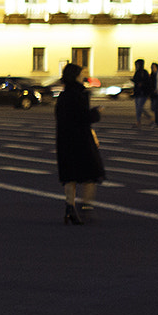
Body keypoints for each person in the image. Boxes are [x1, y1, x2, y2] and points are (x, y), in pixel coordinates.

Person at [55, 62, 105, 224]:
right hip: (81, 140)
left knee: (70, 175)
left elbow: (61, 118)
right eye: (82, 73)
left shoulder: (62, 96)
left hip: (65, 140)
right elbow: (84, 118)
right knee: (92, 173)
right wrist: (96, 113)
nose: (84, 75)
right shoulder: (80, 94)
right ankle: (86, 207)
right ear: (76, 76)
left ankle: (70, 207)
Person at [130, 58, 152, 127]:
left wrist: (141, 84)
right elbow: (136, 81)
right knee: (138, 108)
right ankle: (138, 121)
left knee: (140, 107)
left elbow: (147, 82)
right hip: (137, 92)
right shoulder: (138, 72)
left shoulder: (144, 72)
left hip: (143, 92)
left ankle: (150, 118)